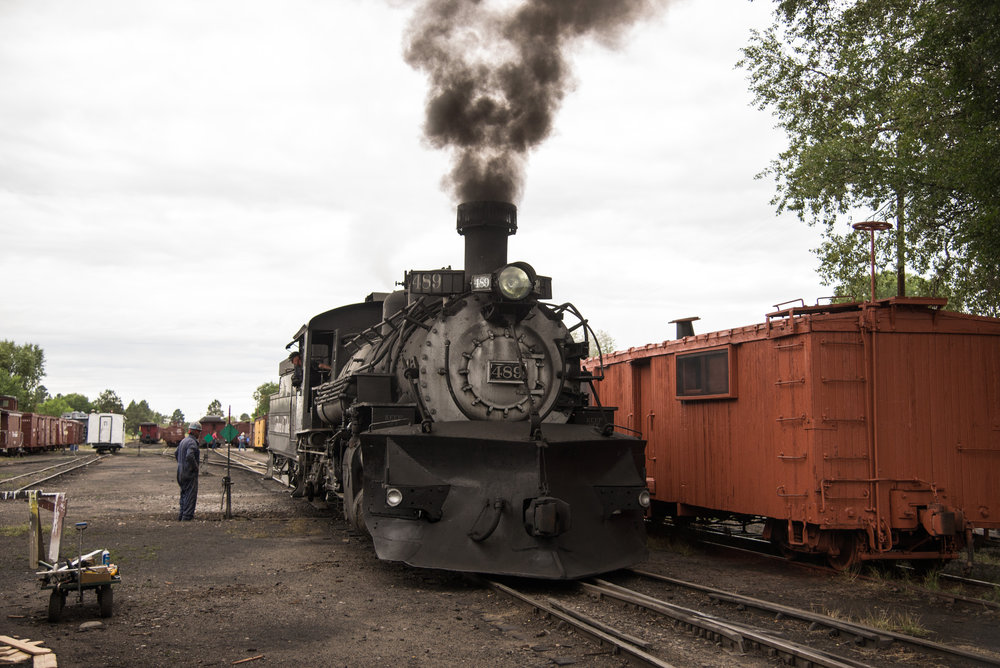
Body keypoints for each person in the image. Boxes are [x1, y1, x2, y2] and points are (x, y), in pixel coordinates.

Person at [176, 422, 201, 521]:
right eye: (198, 432)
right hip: (189, 473)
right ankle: (187, 517)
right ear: (194, 432)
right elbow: (190, 456)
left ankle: (181, 515)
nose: (199, 434)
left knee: (184, 494)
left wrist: (181, 464)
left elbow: (176, 453)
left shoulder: (183, 441)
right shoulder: (192, 442)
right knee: (190, 494)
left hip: (180, 472)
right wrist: (195, 467)